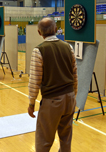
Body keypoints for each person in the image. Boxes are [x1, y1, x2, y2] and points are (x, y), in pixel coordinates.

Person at [28, 17, 78, 152]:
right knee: (66, 138)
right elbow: (74, 74)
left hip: (52, 100)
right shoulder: (69, 47)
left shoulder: (39, 50)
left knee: (44, 140)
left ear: (39, 32)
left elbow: (35, 81)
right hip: (70, 97)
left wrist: (31, 103)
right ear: (56, 30)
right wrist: (73, 95)